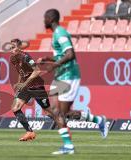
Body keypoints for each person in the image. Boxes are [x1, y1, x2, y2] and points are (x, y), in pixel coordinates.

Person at [37, 9, 108, 155]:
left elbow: (70, 54)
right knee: (52, 111)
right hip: (60, 76)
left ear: (50, 19)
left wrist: (54, 65)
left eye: (45, 18)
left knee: (59, 113)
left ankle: (69, 146)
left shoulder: (60, 33)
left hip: (69, 76)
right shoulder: (56, 34)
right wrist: (48, 59)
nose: (43, 21)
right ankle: (98, 120)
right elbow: (62, 55)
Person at [9, 39, 63, 142]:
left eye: (13, 47)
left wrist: (24, 83)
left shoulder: (26, 57)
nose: (11, 50)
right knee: (15, 108)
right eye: (10, 48)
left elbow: (37, 71)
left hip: (36, 86)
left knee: (48, 112)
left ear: (19, 47)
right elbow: (21, 72)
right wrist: (20, 83)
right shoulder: (13, 58)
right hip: (26, 86)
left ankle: (63, 126)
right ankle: (29, 132)